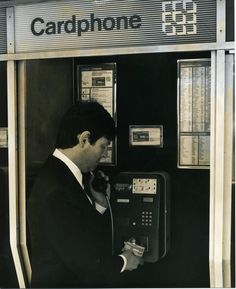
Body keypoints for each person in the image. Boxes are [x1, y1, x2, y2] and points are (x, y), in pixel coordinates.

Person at [27, 101, 143, 288]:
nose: (104, 155)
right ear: (84, 139)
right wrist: (124, 261)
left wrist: (99, 204)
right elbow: (85, 263)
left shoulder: (63, 175)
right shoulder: (56, 188)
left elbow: (77, 235)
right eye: (103, 146)